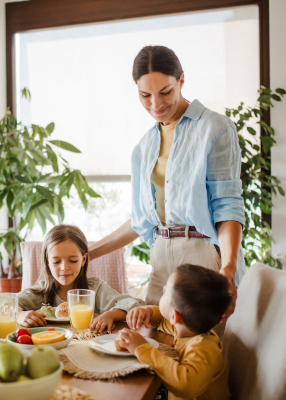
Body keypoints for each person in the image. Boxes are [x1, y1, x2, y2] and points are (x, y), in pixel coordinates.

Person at [88, 45, 245, 329]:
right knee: (153, 343)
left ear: (181, 80)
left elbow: (227, 207)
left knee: (203, 350)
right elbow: (141, 220)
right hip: (161, 257)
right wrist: (90, 252)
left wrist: (228, 269)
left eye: (165, 92)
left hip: (202, 254)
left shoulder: (215, 128)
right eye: (145, 95)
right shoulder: (143, 147)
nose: (155, 104)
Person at [117, 264, 232, 400]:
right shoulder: (187, 327)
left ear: (174, 316)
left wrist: (142, 348)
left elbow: (186, 386)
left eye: (166, 291)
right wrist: (147, 311)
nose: (163, 288)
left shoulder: (203, 347)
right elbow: (161, 320)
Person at [17, 224, 144, 333]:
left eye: (72, 260)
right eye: (56, 261)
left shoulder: (95, 289)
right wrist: (20, 315)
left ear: (83, 259)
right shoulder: (41, 291)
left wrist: (110, 315)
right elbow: (5, 304)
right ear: (47, 262)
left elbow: (133, 304)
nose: (64, 268)